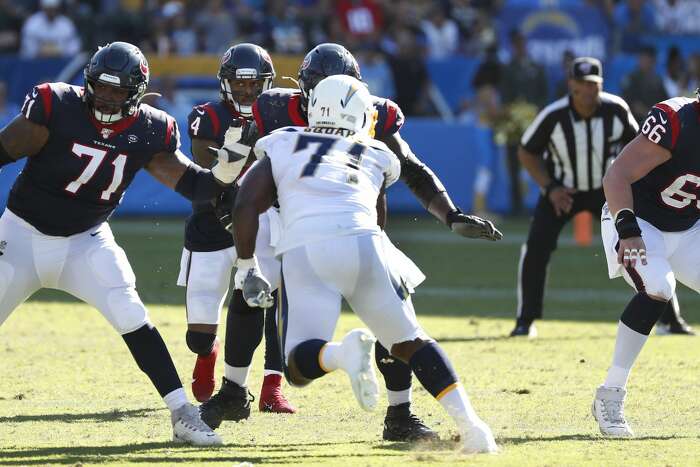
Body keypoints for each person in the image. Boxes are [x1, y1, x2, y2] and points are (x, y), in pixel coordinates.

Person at [200, 42, 502, 441]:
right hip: (288, 216)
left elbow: (411, 169)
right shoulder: (280, 111)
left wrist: (450, 213)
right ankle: (234, 391)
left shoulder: (299, 130)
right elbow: (240, 169)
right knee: (397, 326)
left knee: (286, 317)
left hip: (320, 228)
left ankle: (399, 413)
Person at [0, 42, 248, 446]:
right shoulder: (55, 104)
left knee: (131, 313)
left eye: (118, 91)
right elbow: (3, 149)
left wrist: (223, 171)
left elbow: (193, 185)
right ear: (88, 82)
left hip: (87, 242)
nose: (108, 97)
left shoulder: (151, 128)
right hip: (21, 235)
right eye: (102, 87)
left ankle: (183, 414)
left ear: (136, 91)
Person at [510, 57, 693, 338]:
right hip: (563, 191)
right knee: (536, 248)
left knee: (648, 244)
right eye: (582, 84)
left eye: (593, 84)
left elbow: (640, 146)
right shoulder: (554, 114)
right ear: (571, 84)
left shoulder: (616, 109)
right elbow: (526, 151)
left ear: (601, 85)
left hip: (605, 188)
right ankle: (525, 320)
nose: (588, 90)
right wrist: (549, 188)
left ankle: (671, 320)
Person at [178, 42, 295, 413]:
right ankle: (207, 352)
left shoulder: (281, 115)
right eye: (238, 83)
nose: (246, 90)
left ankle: (271, 387)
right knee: (198, 333)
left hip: (263, 221)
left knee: (269, 299)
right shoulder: (208, 115)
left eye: (253, 83)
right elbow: (205, 167)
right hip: (212, 223)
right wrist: (238, 152)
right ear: (225, 83)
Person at [593, 91, 700, 437]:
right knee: (657, 286)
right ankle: (610, 393)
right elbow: (616, 176)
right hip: (638, 221)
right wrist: (627, 230)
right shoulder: (676, 120)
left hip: (689, 227)